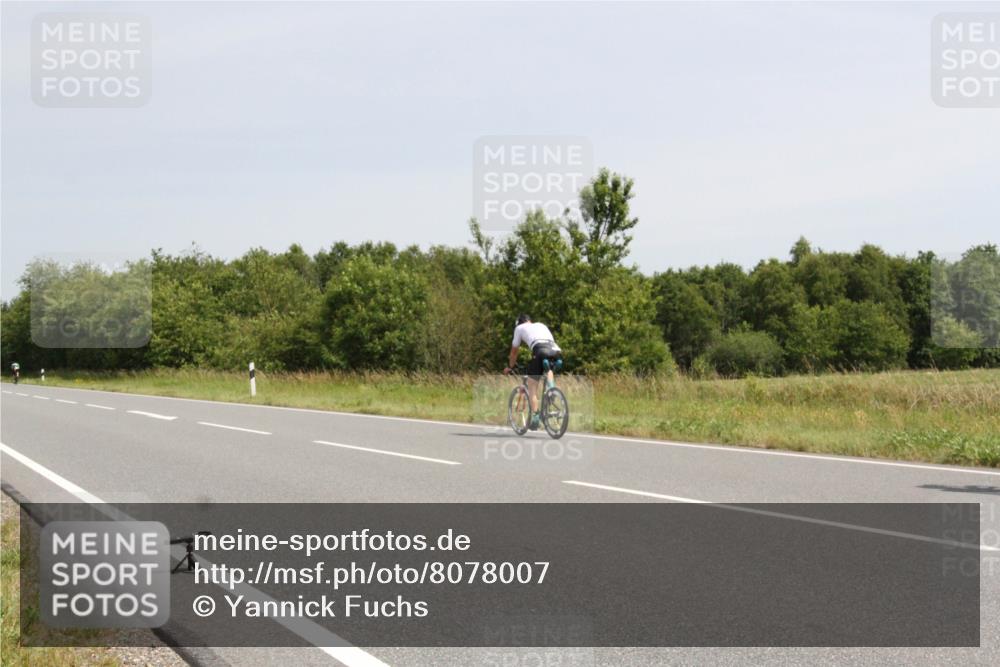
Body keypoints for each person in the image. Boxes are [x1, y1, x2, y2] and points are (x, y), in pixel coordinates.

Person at [503, 314, 563, 430]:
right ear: (530, 321)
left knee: (532, 386)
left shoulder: (519, 328)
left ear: (519, 323)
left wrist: (510, 366)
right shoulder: (541, 325)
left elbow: (514, 351)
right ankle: (551, 389)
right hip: (555, 350)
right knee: (548, 368)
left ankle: (535, 417)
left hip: (540, 349)